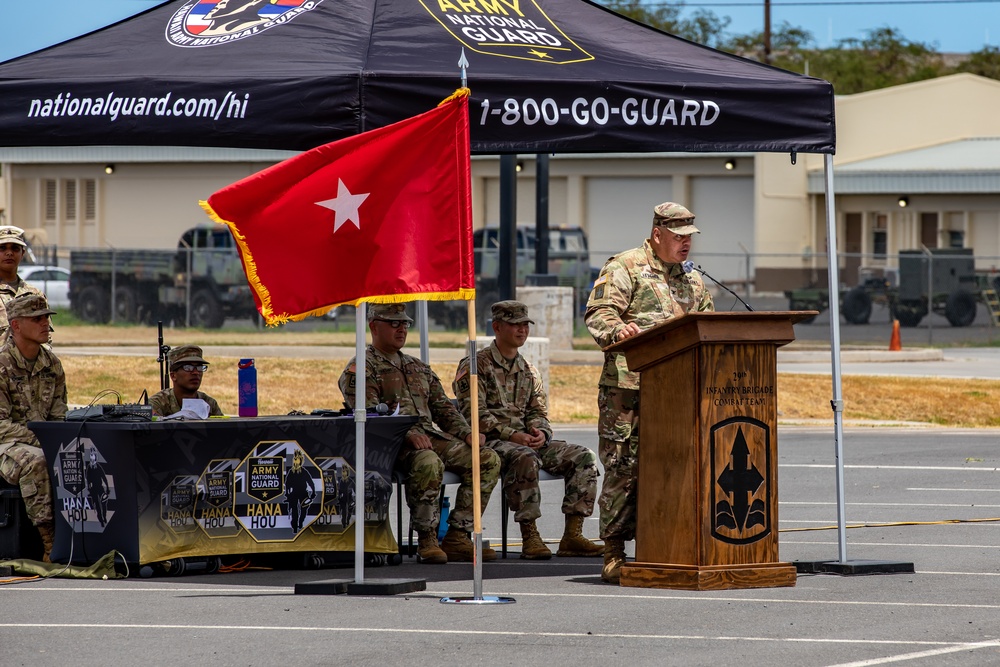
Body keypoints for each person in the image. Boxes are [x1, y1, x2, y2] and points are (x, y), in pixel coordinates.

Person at [585, 202, 715, 583]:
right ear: (657, 234)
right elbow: (599, 313)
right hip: (628, 391)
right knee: (624, 469)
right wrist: (617, 330)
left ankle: (664, 545)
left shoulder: (692, 279)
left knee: (671, 466)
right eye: (678, 237)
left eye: (689, 238)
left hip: (678, 391)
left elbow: (707, 324)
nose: (685, 245)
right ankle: (613, 551)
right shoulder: (625, 267)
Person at [338, 303, 500, 565]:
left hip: (429, 437)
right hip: (390, 445)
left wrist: (467, 433)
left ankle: (458, 535)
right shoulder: (361, 368)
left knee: (486, 459)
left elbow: (443, 409)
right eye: (394, 323)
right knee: (428, 462)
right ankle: (426, 538)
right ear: (373, 326)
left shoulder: (418, 367)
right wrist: (408, 433)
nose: (401, 328)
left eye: (405, 324)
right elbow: (369, 415)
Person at [454, 300, 604, 560]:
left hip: (526, 441)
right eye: (514, 325)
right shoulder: (476, 367)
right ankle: (529, 534)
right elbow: (473, 415)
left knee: (584, 456)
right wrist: (512, 435)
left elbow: (538, 412)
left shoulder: (529, 371)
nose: (521, 330)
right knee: (525, 457)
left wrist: (541, 432)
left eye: (525, 325)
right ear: (497, 327)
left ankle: (572, 535)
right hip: (493, 441)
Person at [0, 294, 68, 561]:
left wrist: (58, 438)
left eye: (46, 318)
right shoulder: (2, 365)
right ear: (16, 325)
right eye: (37, 319)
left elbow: (59, 415)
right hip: (7, 445)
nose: (45, 325)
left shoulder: (52, 365)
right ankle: (49, 543)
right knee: (37, 461)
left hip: (41, 440)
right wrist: (42, 439)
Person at [150, 345, 224, 418]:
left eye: (199, 367)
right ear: (173, 376)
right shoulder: (157, 403)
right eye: (188, 367)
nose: (196, 372)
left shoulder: (209, 404)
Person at [0, 226, 42, 340]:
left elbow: (44, 339)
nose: (9, 253)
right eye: (2, 248)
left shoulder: (34, 295)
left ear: (22, 253)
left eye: (15, 248)